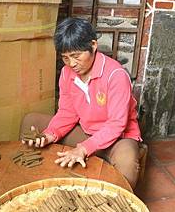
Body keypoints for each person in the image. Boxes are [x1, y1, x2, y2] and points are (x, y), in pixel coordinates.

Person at [21, 18, 143, 188]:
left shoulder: (116, 75)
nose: (71, 64)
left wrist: (84, 148)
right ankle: (34, 179)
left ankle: (116, 209)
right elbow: (67, 112)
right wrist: (50, 134)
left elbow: (117, 124)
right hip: (87, 131)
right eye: (65, 58)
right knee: (31, 121)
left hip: (118, 138)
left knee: (127, 163)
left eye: (76, 56)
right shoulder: (66, 73)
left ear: (93, 45)